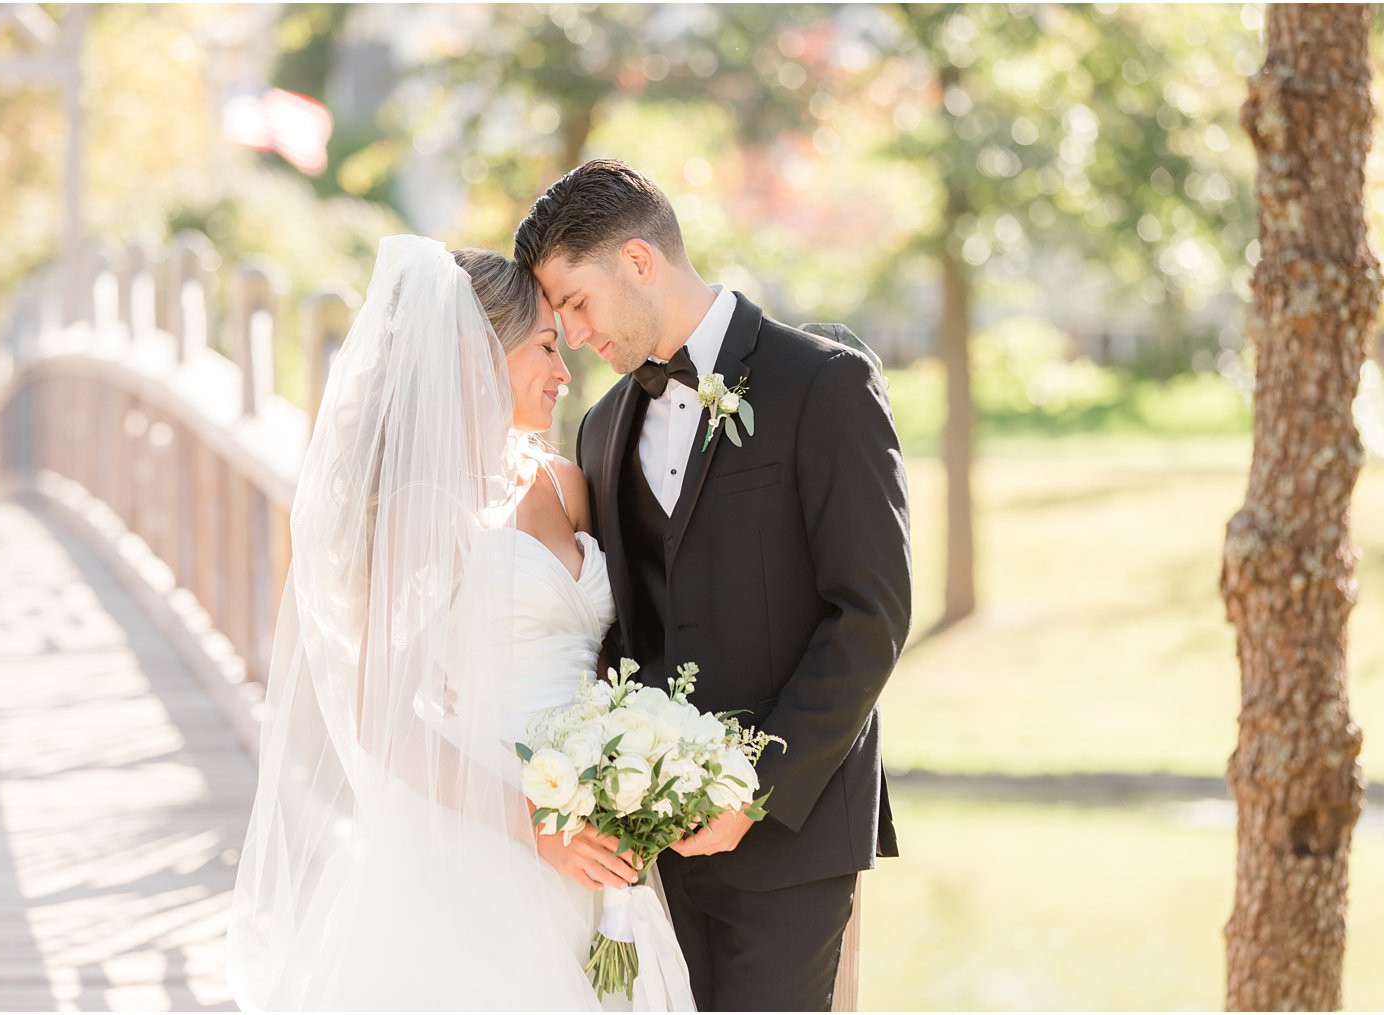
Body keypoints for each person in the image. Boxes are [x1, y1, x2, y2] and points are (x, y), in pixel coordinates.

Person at [226, 236, 693, 1011]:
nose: (563, 368)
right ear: (473, 352)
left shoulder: (566, 483)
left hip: (596, 822)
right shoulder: (422, 508)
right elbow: (381, 717)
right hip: (483, 829)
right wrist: (538, 824)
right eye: (546, 345)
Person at [515, 160, 912, 1012]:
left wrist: (753, 790)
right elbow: (619, 631)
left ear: (637, 259)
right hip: (649, 851)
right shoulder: (601, 429)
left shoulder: (823, 383)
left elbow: (871, 613)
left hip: (791, 841)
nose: (574, 336)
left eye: (576, 303)